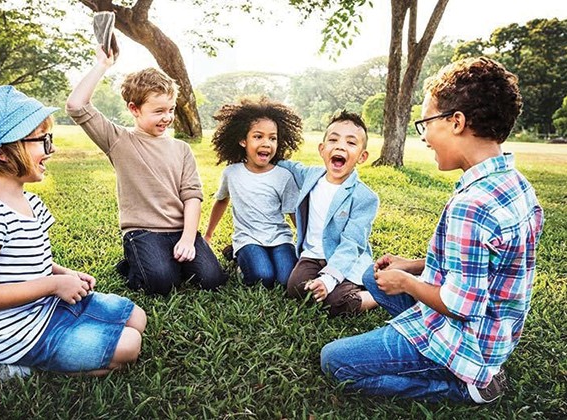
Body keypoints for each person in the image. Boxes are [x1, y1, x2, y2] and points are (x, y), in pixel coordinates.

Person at [320, 57, 544, 403]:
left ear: (456, 122)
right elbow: (483, 263)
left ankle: (464, 387)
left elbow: (462, 306)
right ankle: (422, 341)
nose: (424, 137)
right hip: (495, 333)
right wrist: (412, 265)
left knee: (335, 362)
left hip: (466, 341)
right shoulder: (514, 184)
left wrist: (406, 283)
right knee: (371, 276)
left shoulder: (473, 205)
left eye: (425, 123)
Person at [0, 85, 146, 377]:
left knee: (136, 319)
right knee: (129, 346)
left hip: (45, 308)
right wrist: (53, 286)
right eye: (41, 140)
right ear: (1, 151)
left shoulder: (28, 201)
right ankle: (20, 365)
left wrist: (63, 274)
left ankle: (61, 343)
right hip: (12, 333)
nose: (51, 150)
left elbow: (26, 262)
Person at [66, 45, 226, 296]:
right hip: (143, 232)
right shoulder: (118, 140)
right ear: (134, 109)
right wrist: (103, 65)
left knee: (212, 280)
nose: (167, 117)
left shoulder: (181, 148)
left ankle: (166, 259)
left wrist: (187, 239)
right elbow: (76, 106)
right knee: (161, 284)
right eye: (159, 111)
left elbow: (192, 196)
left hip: (179, 230)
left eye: (171, 109)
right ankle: (134, 262)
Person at [278, 111, 379, 316]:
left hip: (346, 259)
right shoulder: (311, 176)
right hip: (312, 256)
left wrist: (328, 279)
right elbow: (287, 165)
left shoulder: (365, 197)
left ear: (362, 156)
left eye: (351, 143)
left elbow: (352, 244)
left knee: (336, 302)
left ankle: (375, 294)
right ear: (322, 149)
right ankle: (329, 285)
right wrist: (261, 157)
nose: (340, 146)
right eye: (333, 140)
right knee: (295, 288)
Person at [203, 97, 302, 288]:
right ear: (242, 140)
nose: (267, 143)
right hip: (248, 238)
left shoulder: (283, 176)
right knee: (262, 277)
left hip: (280, 237)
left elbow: (293, 212)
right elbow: (222, 201)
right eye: (258, 136)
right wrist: (208, 235)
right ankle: (239, 258)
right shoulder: (231, 173)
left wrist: (307, 242)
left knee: (285, 280)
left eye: (272, 138)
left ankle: (243, 256)